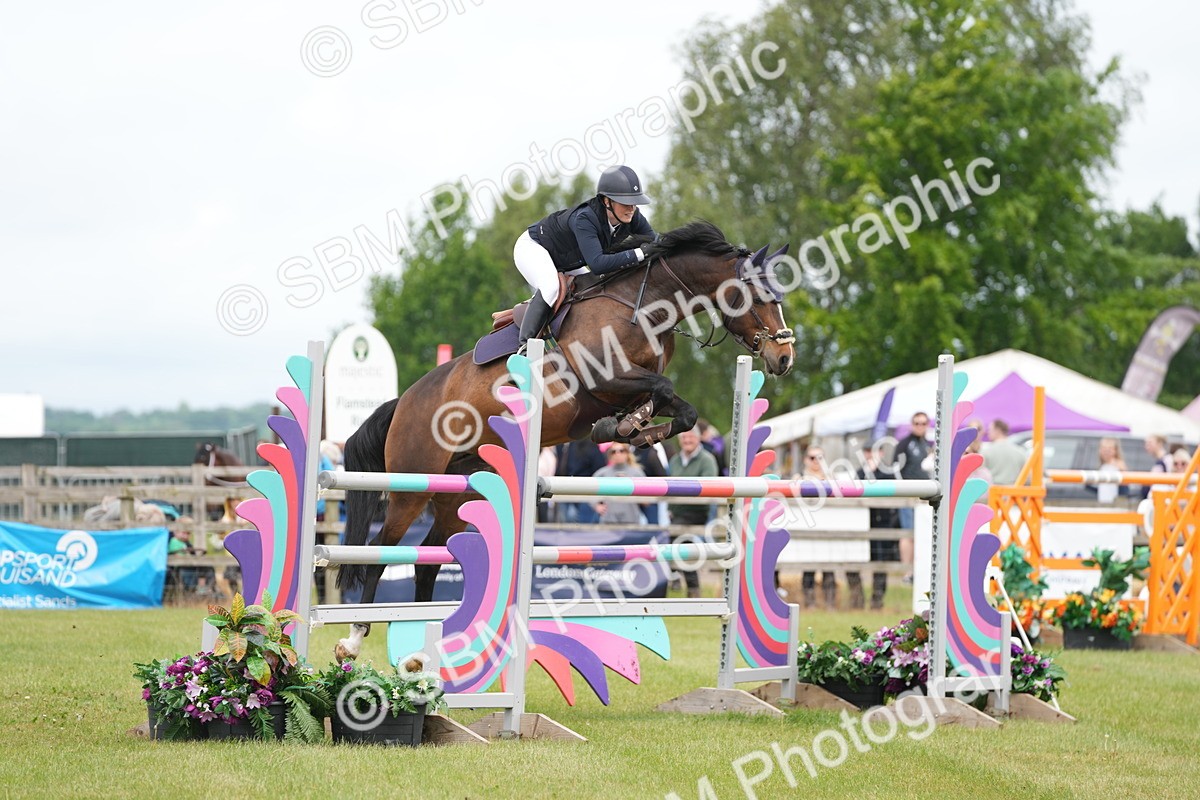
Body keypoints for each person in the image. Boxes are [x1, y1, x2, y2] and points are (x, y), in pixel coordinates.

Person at [513, 165, 657, 353]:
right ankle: (524, 348)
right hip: (533, 247)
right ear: (607, 201)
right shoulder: (585, 218)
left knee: (595, 286)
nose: (632, 208)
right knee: (551, 288)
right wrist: (640, 253)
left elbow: (655, 242)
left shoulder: (632, 217)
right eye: (625, 202)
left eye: (634, 202)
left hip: (567, 260)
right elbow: (597, 264)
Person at [667, 427, 719, 598]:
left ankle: (690, 586)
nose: (687, 440)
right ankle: (685, 585)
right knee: (677, 545)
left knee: (683, 546)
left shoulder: (707, 460)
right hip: (675, 512)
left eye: (690, 437)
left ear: (698, 439)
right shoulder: (675, 460)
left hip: (697, 512)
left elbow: (707, 486)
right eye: (684, 437)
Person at [858, 444, 900, 610]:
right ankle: (858, 599)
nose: (870, 454)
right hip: (863, 521)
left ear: (881, 453)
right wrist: (868, 471)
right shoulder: (859, 472)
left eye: (874, 451)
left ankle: (878, 599)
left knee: (881, 560)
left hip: (883, 521)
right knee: (857, 558)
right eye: (867, 451)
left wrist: (874, 471)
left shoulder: (888, 472)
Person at [798, 445, 838, 609]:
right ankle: (810, 603)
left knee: (829, 567)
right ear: (805, 459)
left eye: (819, 457)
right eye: (812, 457)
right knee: (808, 568)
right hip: (807, 527)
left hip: (828, 527)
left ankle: (830, 603)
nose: (815, 461)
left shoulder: (832, 479)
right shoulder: (798, 478)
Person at [592, 444, 647, 525]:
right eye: (613, 452)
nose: (618, 454)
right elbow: (588, 489)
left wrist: (631, 487)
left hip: (631, 521)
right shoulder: (602, 473)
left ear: (627, 453)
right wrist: (596, 505)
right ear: (609, 455)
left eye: (621, 451)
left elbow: (647, 500)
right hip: (608, 521)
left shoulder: (637, 472)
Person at [895, 412, 932, 530]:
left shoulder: (927, 444)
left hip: (925, 495)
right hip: (908, 493)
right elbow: (895, 468)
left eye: (923, 423)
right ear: (912, 425)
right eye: (917, 423)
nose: (920, 426)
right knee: (908, 531)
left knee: (924, 531)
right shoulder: (904, 444)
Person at [981, 419, 1024, 485]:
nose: (988, 433)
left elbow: (980, 474)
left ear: (997, 431)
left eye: (990, 430)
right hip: (1014, 492)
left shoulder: (986, 451)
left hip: (994, 492)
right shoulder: (1020, 451)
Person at [1095, 437, 1128, 504]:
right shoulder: (1103, 466)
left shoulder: (1119, 465)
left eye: (1109, 449)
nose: (1106, 452)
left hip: (1114, 503)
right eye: (1104, 448)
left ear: (1115, 450)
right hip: (1103, 501)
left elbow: (1125, 486)